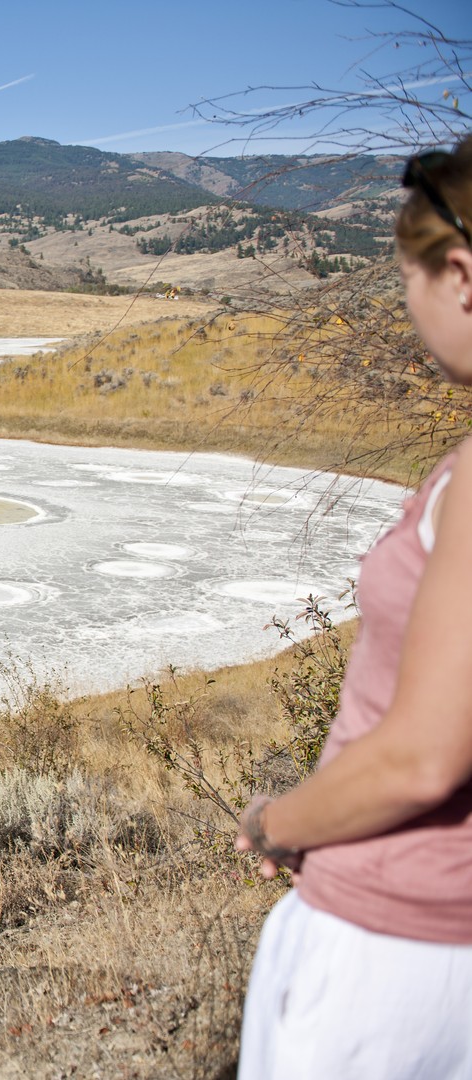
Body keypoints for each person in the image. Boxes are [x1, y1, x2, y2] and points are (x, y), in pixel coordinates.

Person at [235, 138, 472, 1079]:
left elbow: (422, 756)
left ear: (459, 274)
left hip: (399, 949)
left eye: (405, 276)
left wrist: (278, 823)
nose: (404, 306)